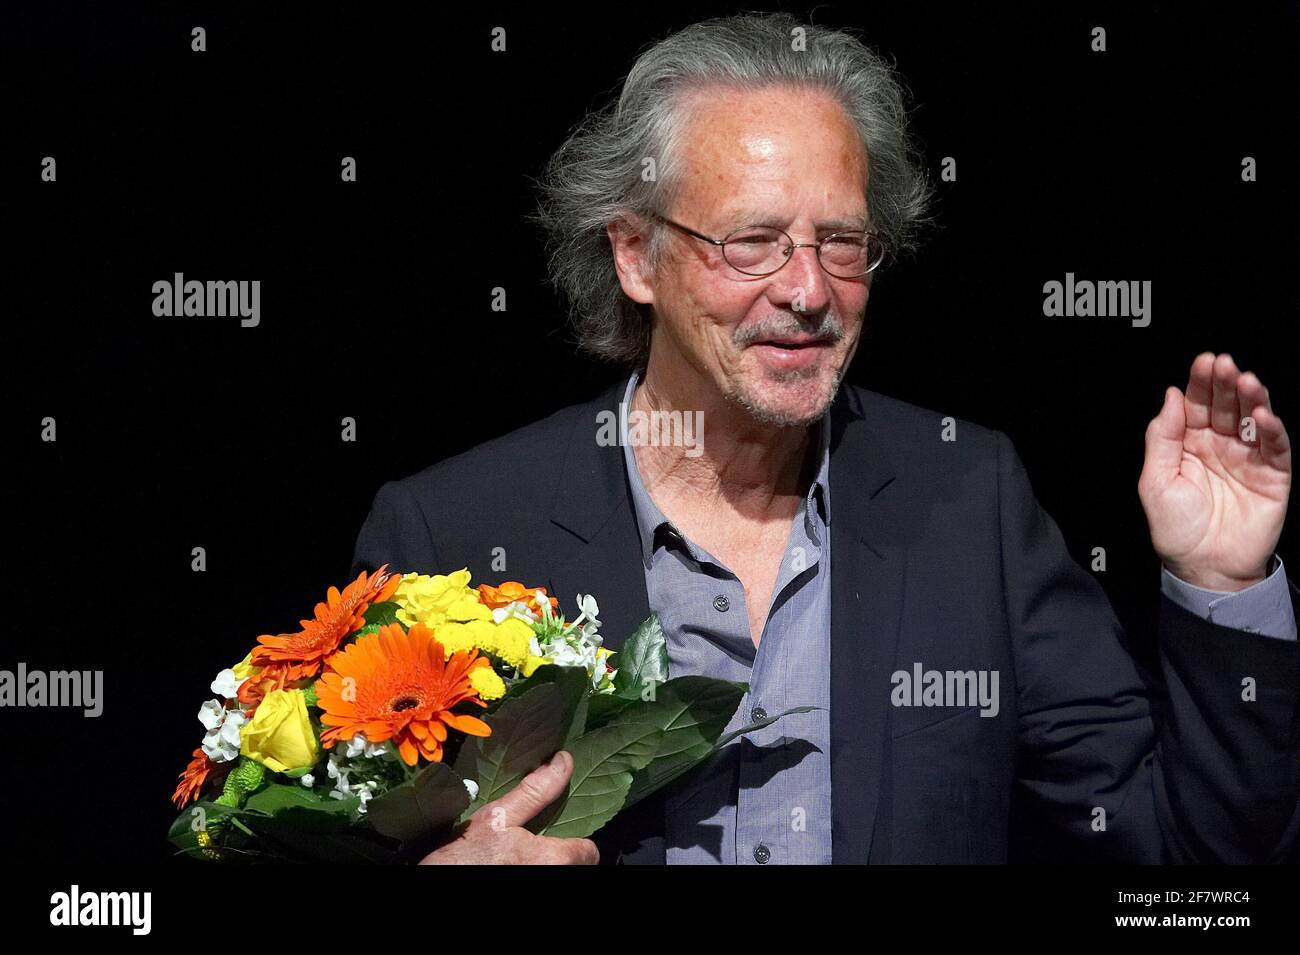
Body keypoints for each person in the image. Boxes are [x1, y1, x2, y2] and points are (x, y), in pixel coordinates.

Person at [352, 13, 1297, 864]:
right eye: (752, 242)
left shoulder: (971, 497)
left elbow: (1190, 859)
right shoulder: (455, 530)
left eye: (841, 242)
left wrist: (1222, 589)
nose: (808, 293)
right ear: (636, 254)